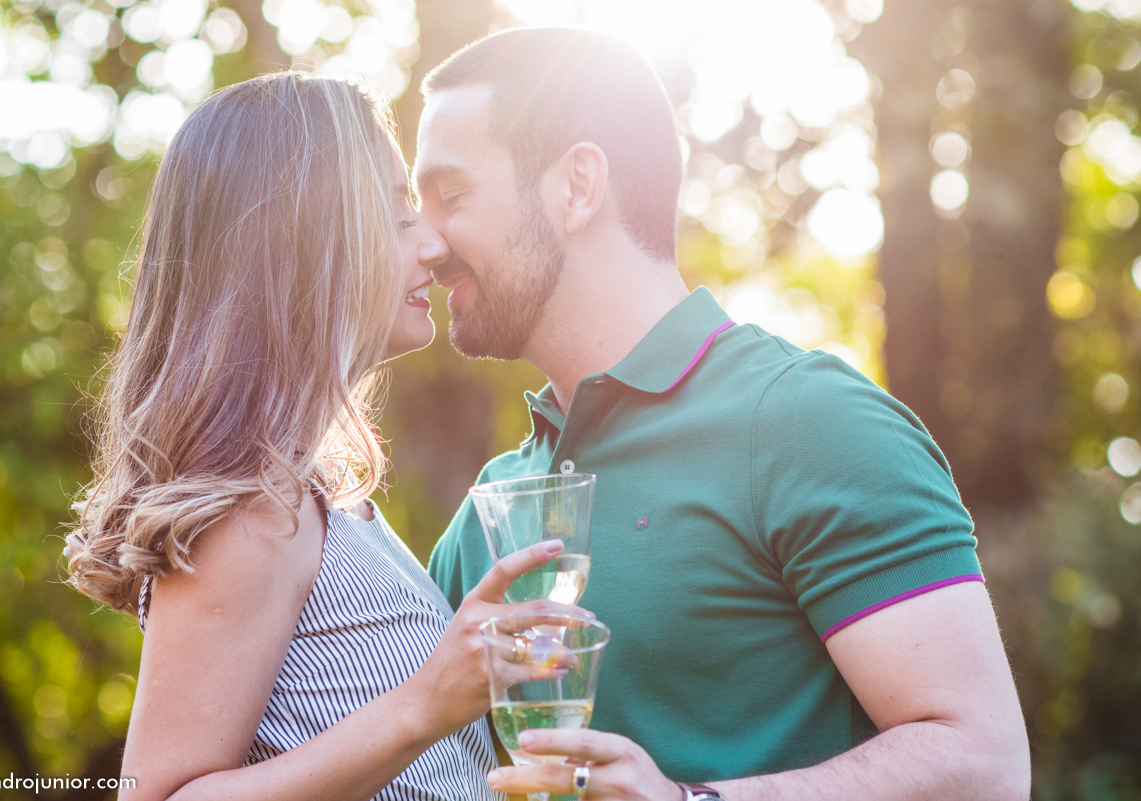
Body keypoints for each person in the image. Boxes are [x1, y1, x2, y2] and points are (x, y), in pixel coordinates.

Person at [417, 27, 1031, 801]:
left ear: (576, 186)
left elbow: (985, 764)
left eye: (452, 198)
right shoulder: (489, 514)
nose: (425, 244)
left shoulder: (809, 422)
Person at [63, 72, 589, 801]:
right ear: (304, 242)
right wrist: (423, 706)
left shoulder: (318, 501)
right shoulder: (255, 510)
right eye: (397, 216)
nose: (434, 245)